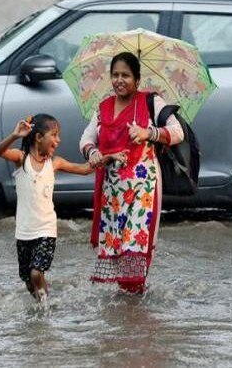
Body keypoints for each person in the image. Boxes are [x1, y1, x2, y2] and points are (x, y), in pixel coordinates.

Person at [79, 52, 184, 294]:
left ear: (137, 78)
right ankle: (129, 312)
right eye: (115, 75)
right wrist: (92, 152)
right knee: (118, 249)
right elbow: (86, 138)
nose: (119, 80)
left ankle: (137, 311)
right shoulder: (103, 107)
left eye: (125, 75)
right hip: (112, 191)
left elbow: (177, 132)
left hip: (143, 189)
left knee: (136, 247)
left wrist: (149, 133)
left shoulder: (151, 102)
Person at [0, 113, 125, 303]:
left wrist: (108, 158)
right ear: (39, 138)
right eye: (54, 135)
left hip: (46, 230)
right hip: (23, 232)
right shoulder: (21, 159)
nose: (59, 140)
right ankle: (45, 304)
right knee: (29, 281)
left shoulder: (54, 163)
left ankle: (45, 309)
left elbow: (85, 168)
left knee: (36, 272)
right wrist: (15, 135)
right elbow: (0, 151)